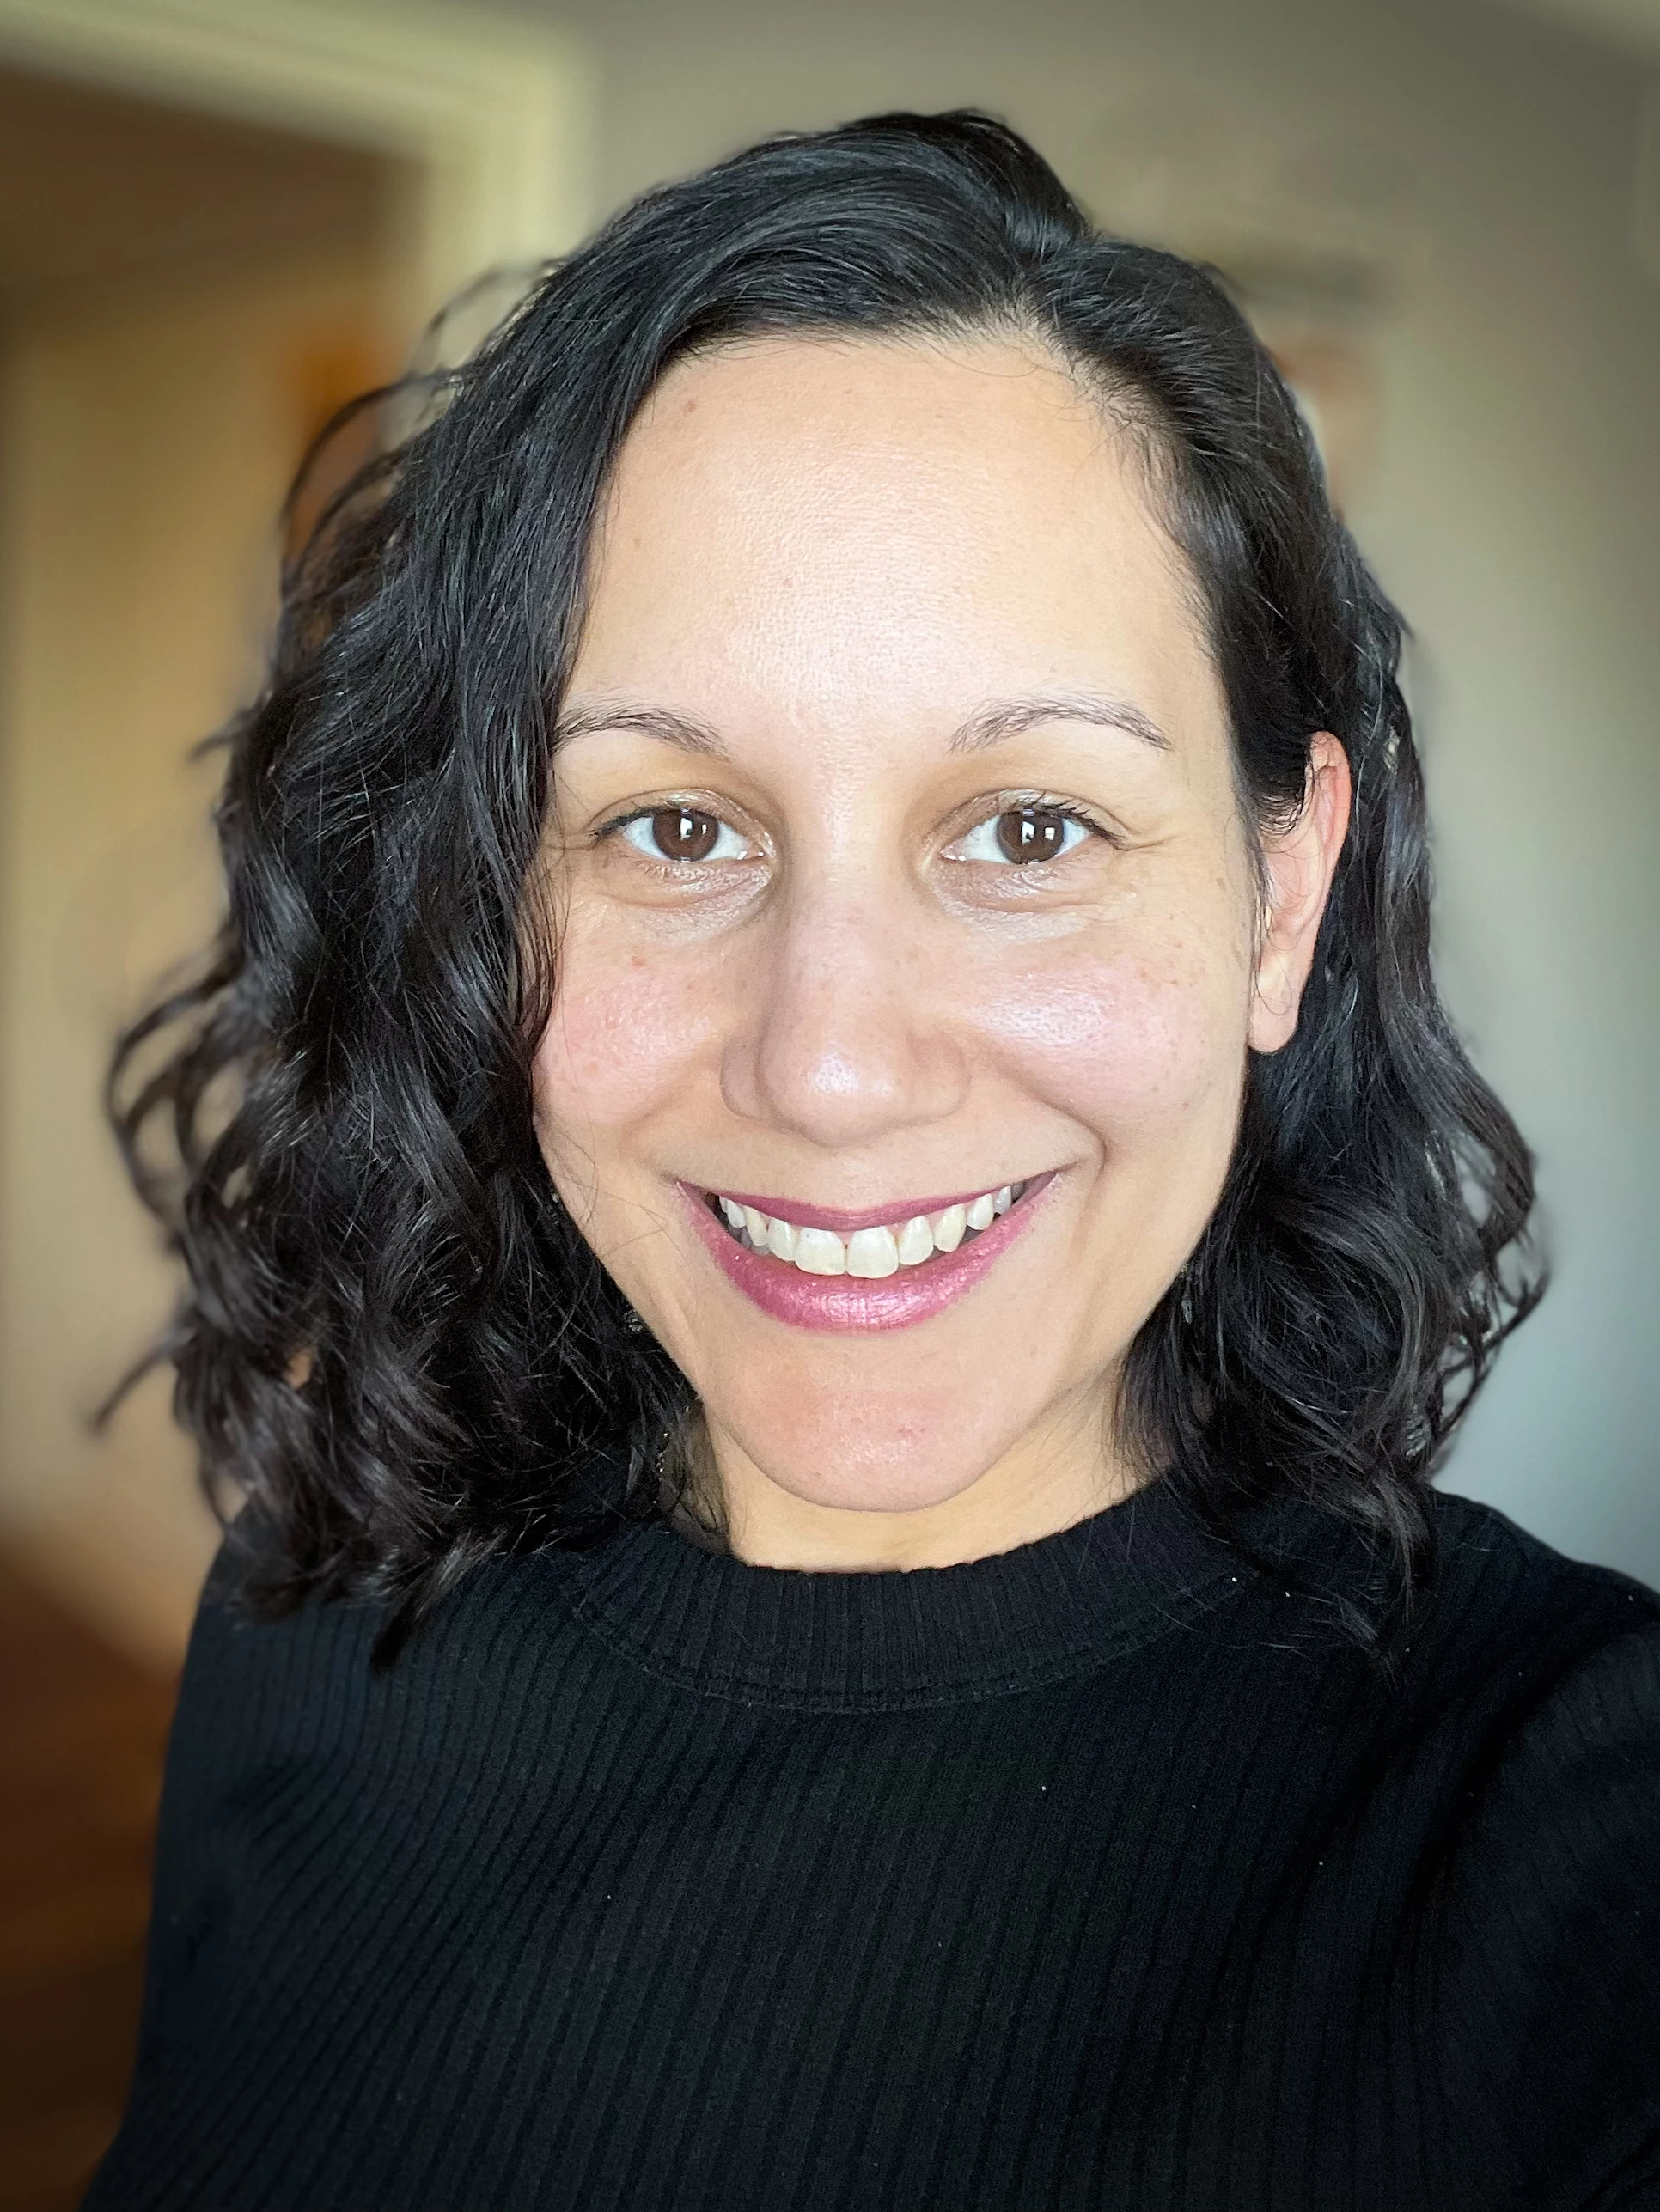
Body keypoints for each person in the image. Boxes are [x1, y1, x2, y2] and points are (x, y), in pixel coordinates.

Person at [88, 113, 1659, 2212]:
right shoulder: (322, 1612)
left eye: (1030, 829)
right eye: (674, 829)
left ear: (1282, 903)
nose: (828, 1066)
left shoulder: (1583, 1847)